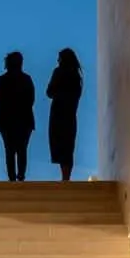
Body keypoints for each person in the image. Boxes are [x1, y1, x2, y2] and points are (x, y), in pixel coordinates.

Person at [0, 51, 35, 182]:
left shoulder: (3, 79)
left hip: (7, 120)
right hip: (24, 119)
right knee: (22, 149)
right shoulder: (27, 79)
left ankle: (12, 178)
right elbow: (31, 100)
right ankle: (20, 176)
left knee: (10, 150)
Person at [46, 48, 83, 181]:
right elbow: (77, 95)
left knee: (60, 144)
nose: (57, 61)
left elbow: (49, 92)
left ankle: (65, 176)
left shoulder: (58, 72)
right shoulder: (76, 76)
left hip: (58, 113)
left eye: (59, 58)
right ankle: (66, 177)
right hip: (70, 113)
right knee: (68, 145)